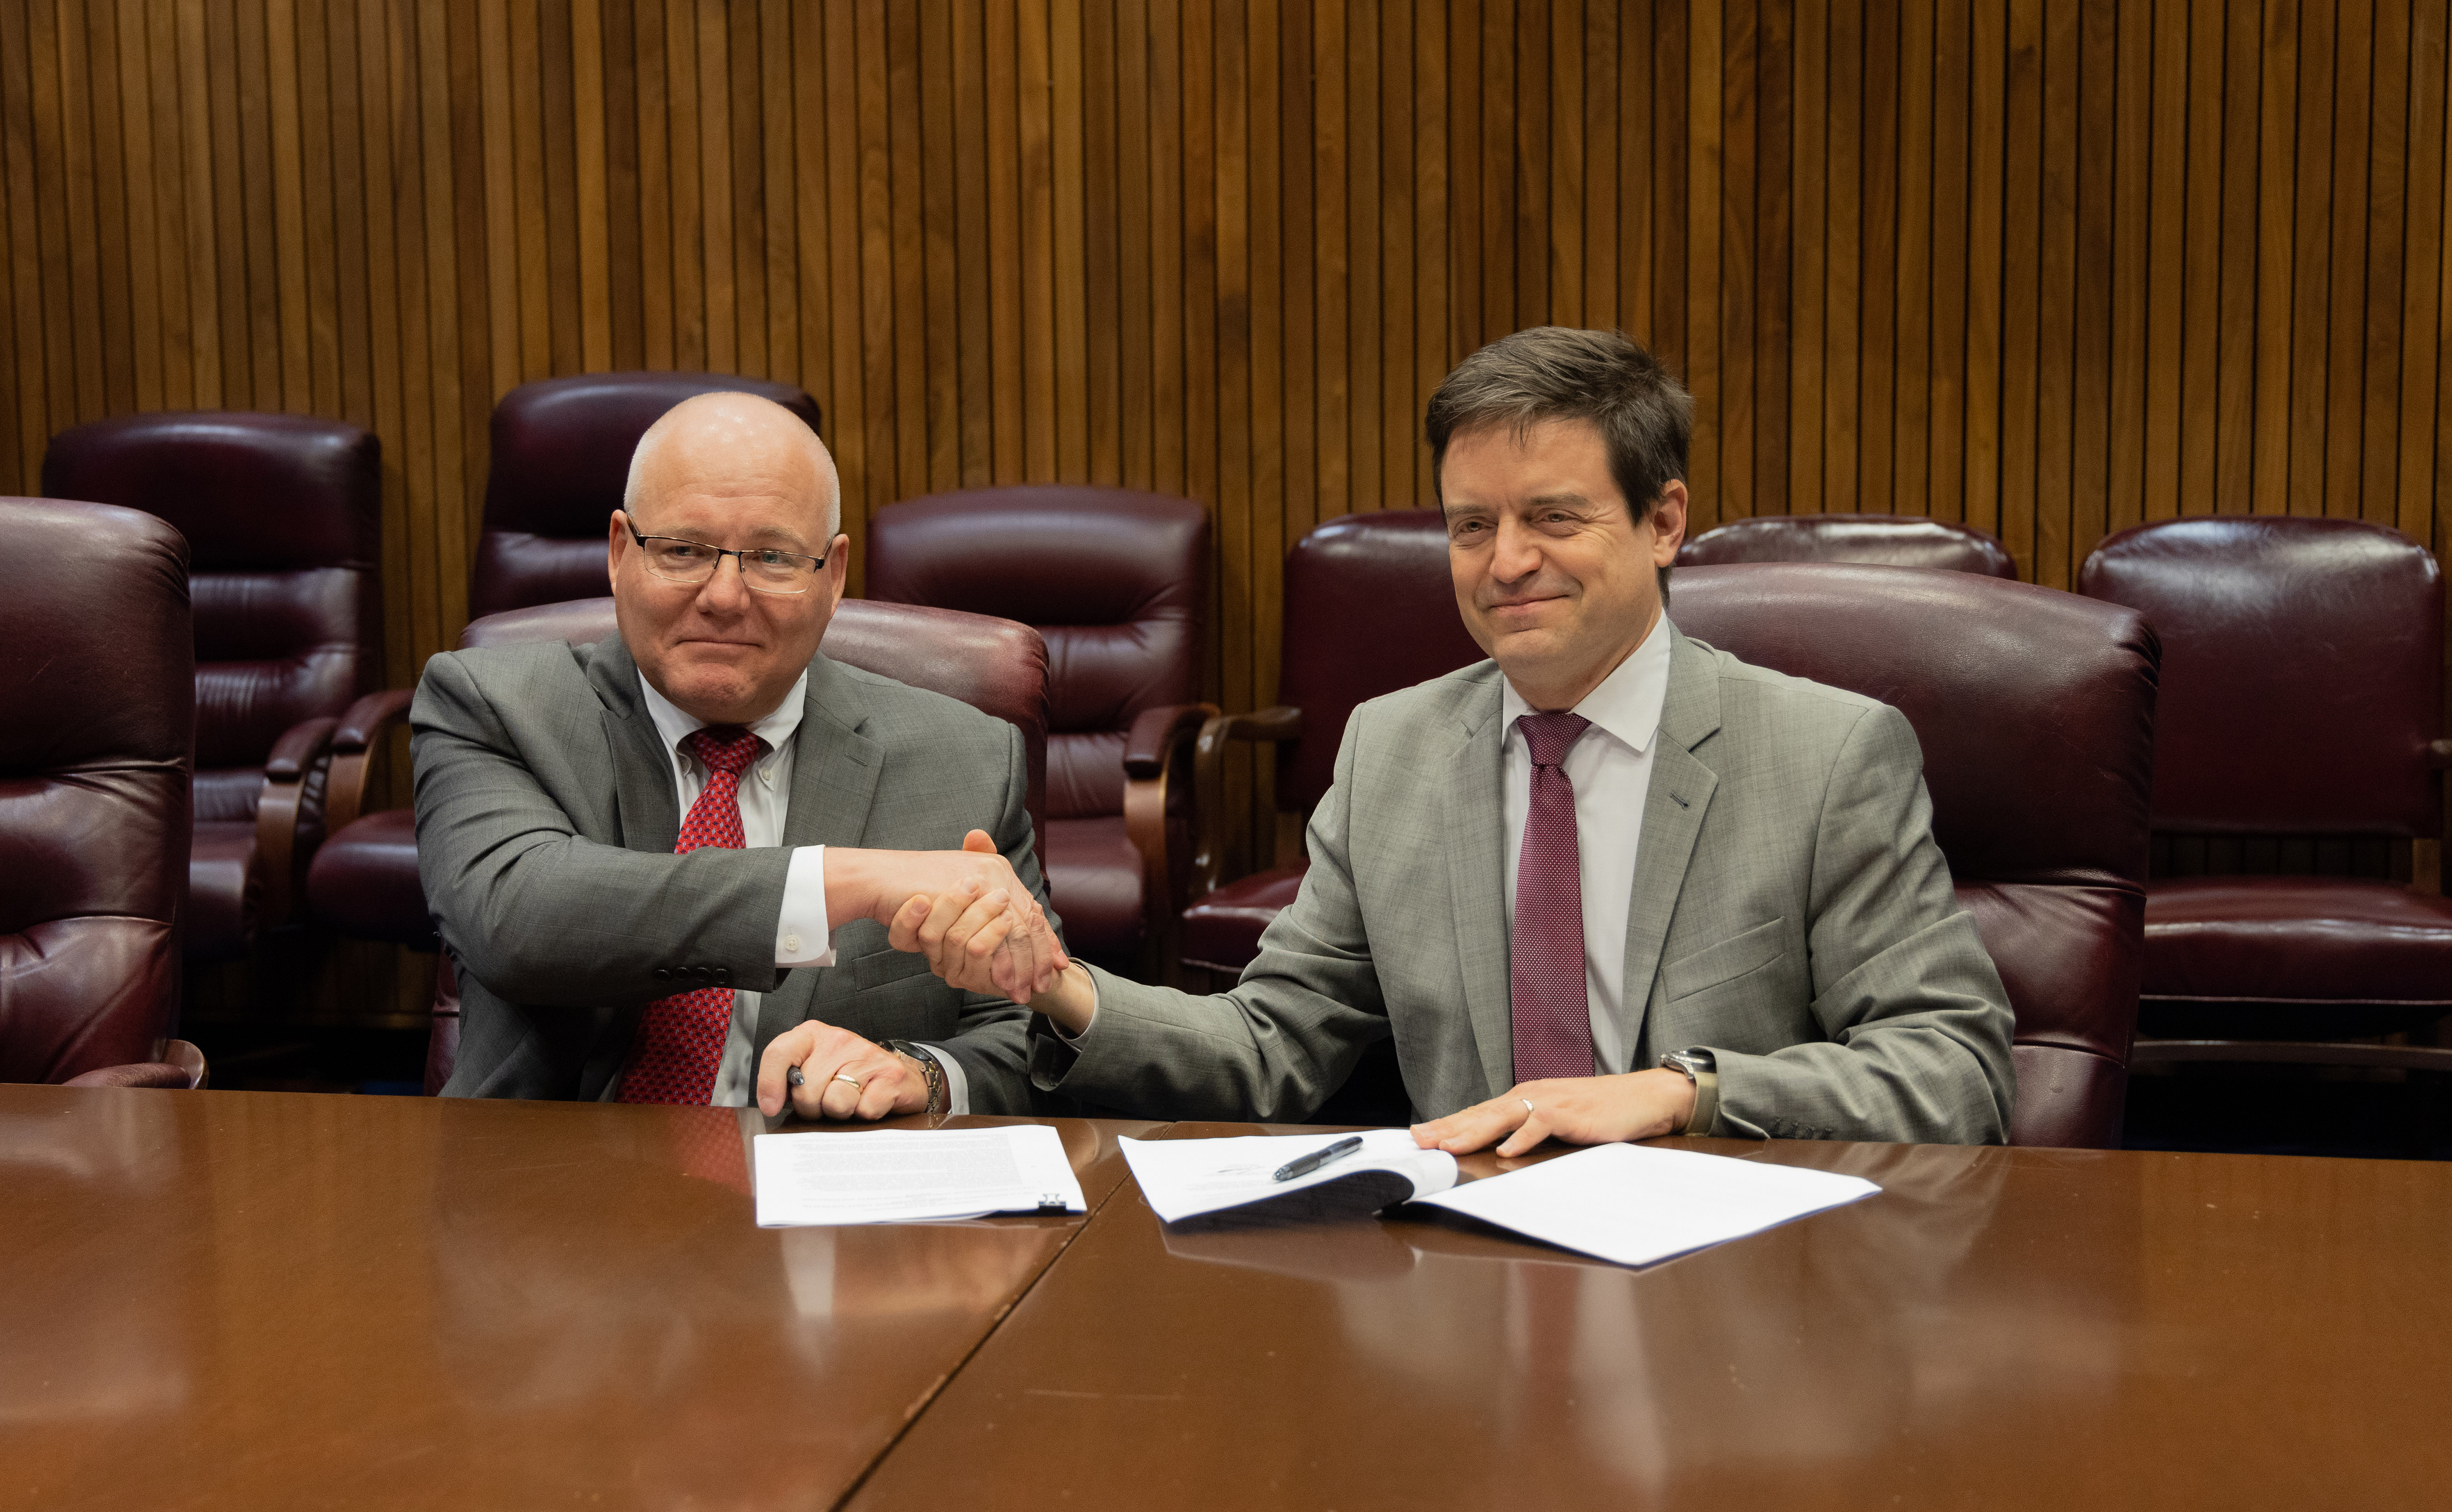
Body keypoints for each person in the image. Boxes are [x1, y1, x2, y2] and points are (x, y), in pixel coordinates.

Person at [897, 326, 2016, 1149]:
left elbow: (1954, 1070)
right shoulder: (1392, 749)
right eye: (1472, 525)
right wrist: (1054, 982)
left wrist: (1686, 1090)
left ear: (1665, 522)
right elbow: (1271, 1047)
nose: (1506, 561)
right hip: (1473, 1281)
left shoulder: (1826, 758)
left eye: (1554, 518)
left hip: (1738, 1295)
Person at [416, 392, 1065, 1118]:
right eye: (684, 551)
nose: (725, 597)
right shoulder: (494, 705)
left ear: (834, 575)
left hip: (829, 1205)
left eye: (772, 557)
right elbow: (518, 919)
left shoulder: (966, 758)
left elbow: (1032, 1030)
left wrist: (926, 1074)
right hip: (546, 1193)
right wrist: (852, 882)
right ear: (619, 551)